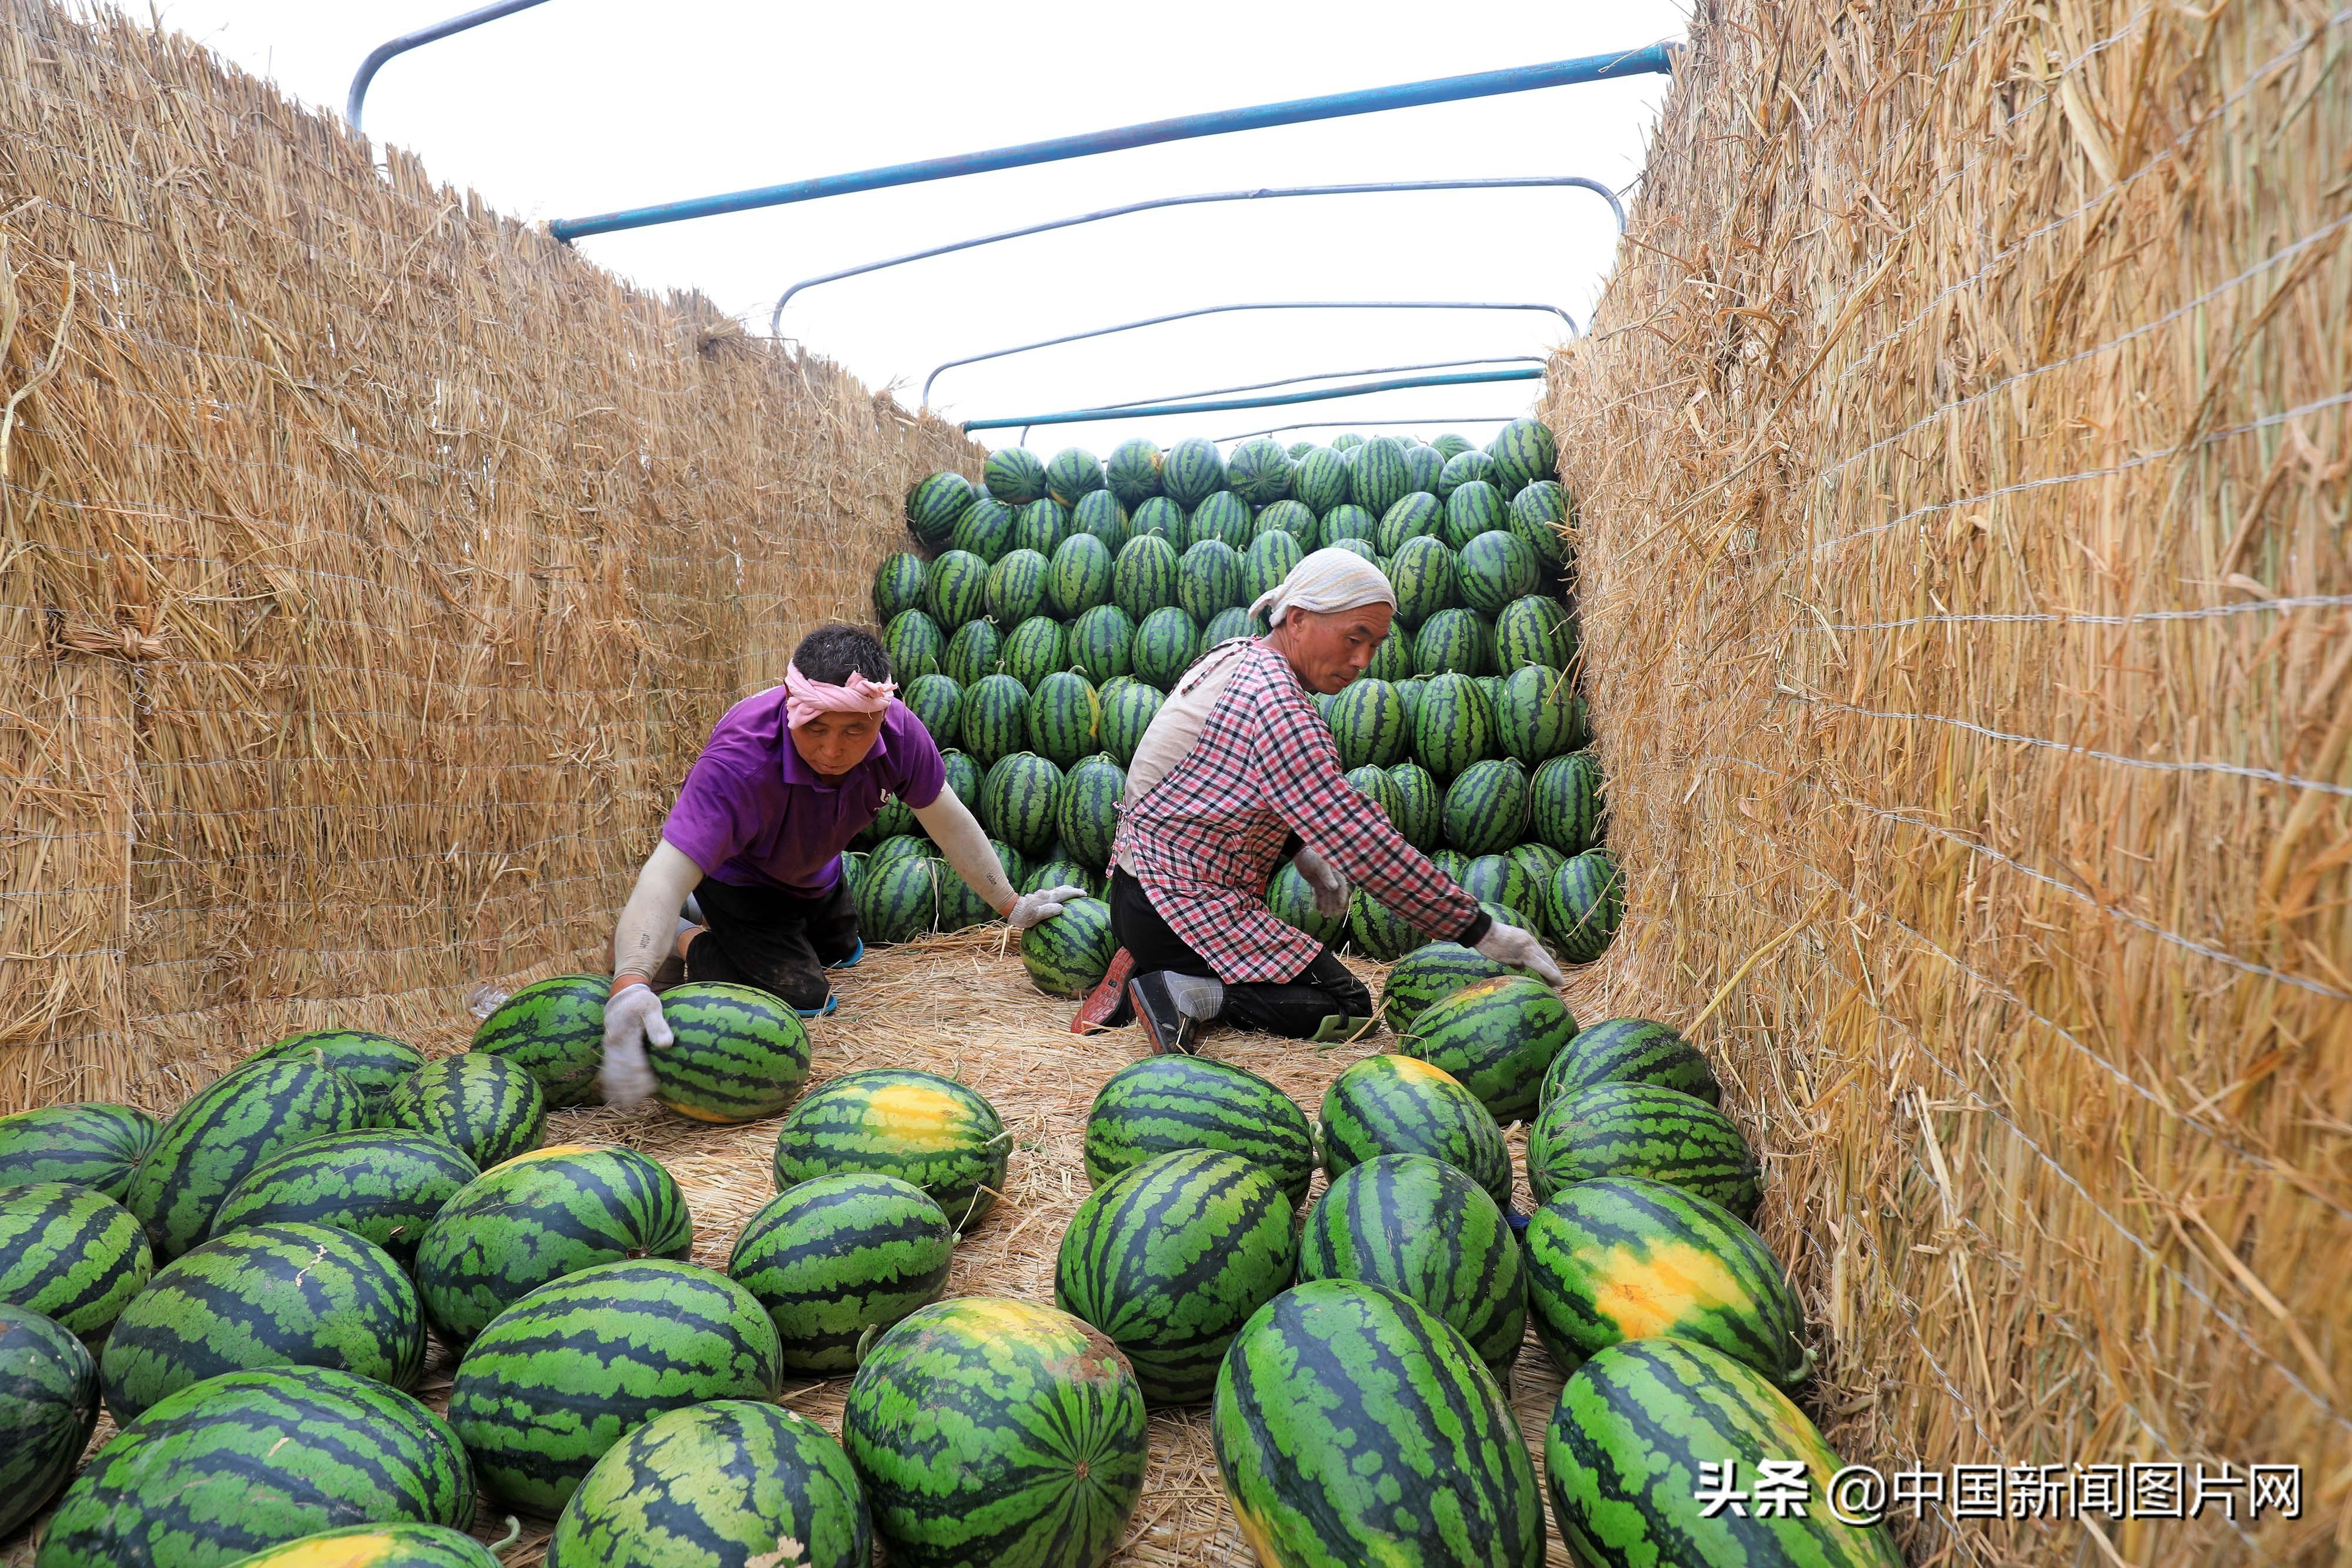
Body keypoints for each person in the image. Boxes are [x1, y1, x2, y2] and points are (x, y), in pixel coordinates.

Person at [1077, 549, 1563, 1055]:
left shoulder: (1238, 655)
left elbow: (1227, 789)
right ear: (1299, 618)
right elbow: (1366, 846)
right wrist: (1481, 930)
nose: (1362, 661)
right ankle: (1180, 990)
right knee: (1349, 1007)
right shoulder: (1278, 706)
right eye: (1354, 638)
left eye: (1375, 645)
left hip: (1141, 888)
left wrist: (1303, 855)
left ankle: (1154, 957)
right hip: (1176, 906)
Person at [599, 623, 1082, 1105]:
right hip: (740, 884)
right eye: (816, 728)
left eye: (855, 730)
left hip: (818, 872)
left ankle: (750, 930)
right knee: (807, 1000)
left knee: (845, 954)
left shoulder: (900, 734)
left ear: (881, 714)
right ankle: (686, 936)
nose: (833, 750)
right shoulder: (739, 759)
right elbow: (666, 871)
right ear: (791, 702)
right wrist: (630, 982)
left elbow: (949, 822)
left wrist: (1011, 904)